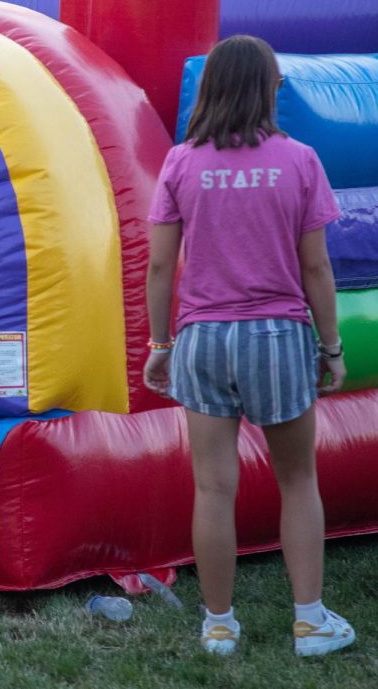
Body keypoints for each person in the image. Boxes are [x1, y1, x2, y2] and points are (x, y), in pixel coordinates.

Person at [143, 35, 353, 657]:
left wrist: (161, 342)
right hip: (277, 336)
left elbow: (159, 267)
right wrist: (333, 347)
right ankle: (311, 622)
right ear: (267, 88)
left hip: (202, 338)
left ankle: (218, 626)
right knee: (297, 480)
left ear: (209, 89)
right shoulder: (299, 161)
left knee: (213, 487)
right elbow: (316, 268)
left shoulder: (181, 162)